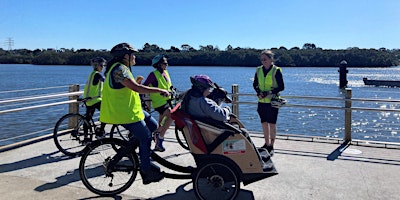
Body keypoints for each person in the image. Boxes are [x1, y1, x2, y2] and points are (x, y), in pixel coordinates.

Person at [100, 42, 169, 184]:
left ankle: (129, 149)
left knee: (153, 125)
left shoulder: (122, 68)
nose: (135, 57)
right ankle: (146, 171)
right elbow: (136, 88)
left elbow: (129, 88)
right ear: (126, 56)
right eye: (133, 54)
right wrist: (159, 90)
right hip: (123, 113)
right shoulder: (119, 69)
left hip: (133, 110)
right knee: (145, 138)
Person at [253, 49, 285, 156]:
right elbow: (255, 84)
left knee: (272, 123)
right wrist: (259, 92)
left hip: (272, 101)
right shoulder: (258, 70)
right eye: (262, 60)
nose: (263, 61)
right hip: (262, 101)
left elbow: (281, 87)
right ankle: (266, 144)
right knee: (264, 123)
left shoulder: (276, 70)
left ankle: (271, 145)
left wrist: (269, 92)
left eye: (265, 59)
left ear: (271, 59)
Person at [143, 54, 173, 152]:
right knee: (171, 115)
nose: (167, 64)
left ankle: (157, 136)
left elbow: (168, 86)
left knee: (161, 123)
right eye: (165, 63)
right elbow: (145, 86)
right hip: (159, 102)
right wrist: (158, 91)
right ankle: (159, 139)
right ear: (159, 64)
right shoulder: (153, 74)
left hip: (168, 100)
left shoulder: (166, 73)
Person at [83, 57, 106, 138]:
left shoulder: (92, 74)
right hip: (95, 100)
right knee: (106, 113)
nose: (103, 67)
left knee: (87, 119)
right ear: (98, 66)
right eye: (102, 65)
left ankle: (86, 139)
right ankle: (100, 132)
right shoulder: (97, 74)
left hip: (88, 100)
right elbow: (106, 82)